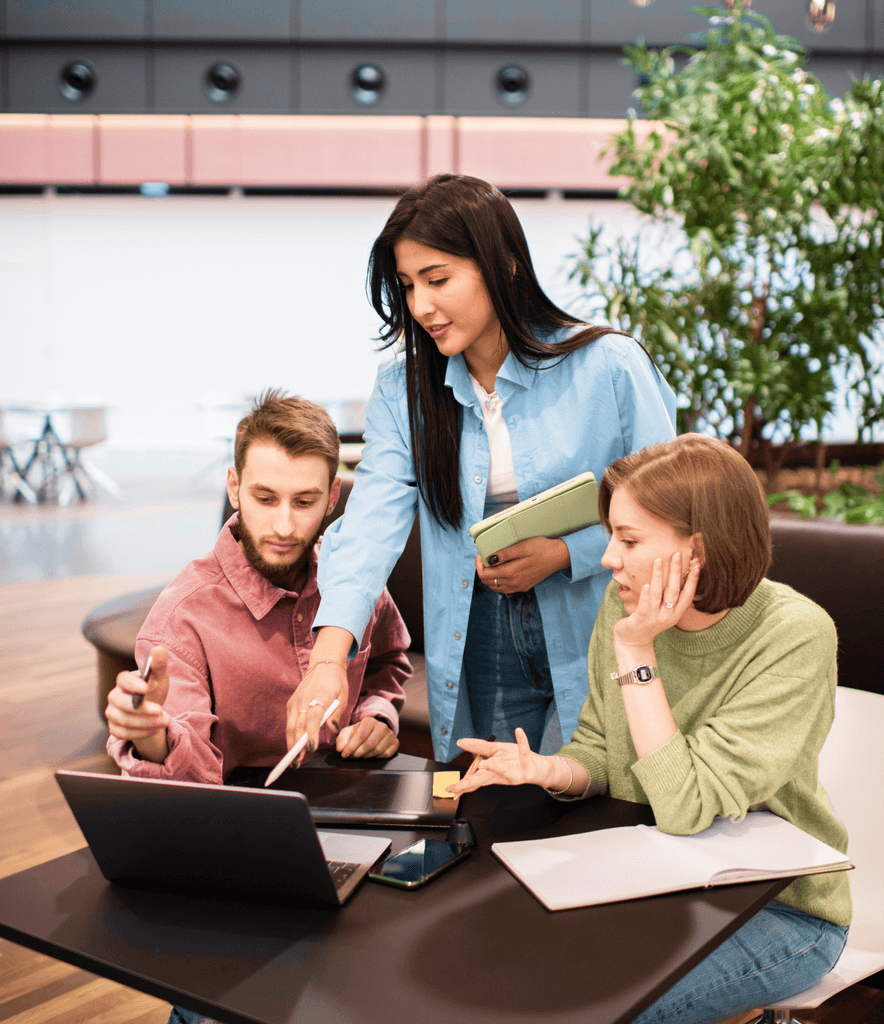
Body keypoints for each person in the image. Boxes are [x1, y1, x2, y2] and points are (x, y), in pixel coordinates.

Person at [450, 433, 851, 1024]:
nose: (608, 558)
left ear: (697, 551)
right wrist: (547, 768)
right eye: (612, 534)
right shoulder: (624, 602)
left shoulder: (794, 634)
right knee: (505, 966)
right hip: (657, 877)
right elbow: (605, 749)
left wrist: (638, 651)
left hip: (782, 909)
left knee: (602, 1012)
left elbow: (683, 806)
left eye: (628, 539)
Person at [296, 173, 677, 762]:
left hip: (604, 625)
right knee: (501, 814)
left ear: (505, 264)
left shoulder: (610, 368)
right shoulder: (405, 392)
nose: (420, 306)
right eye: (407, 285)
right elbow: (370, 523)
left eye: (438, 279)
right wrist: (328, 659)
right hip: (483, 637)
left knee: (593, 811)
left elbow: (670, 514)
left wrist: (563, 554)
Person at [106, 390, 411, 783]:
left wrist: (376, 717)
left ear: (333, 496)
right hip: (240, 823)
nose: (284, 527)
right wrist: (151, 737)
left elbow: (387, 665)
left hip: (352, 800)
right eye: (265, 499)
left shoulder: (353, 581)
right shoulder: (182, 618)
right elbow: (187, 784)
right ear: (234, 487)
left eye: (304, 503)